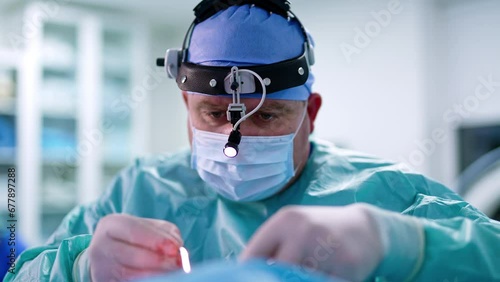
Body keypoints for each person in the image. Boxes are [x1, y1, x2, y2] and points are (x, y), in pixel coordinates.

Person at [5, 2, 500, 282]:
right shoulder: (140, 190)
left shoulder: (388, 196)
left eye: (269, 117)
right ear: (186, 108)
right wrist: (78, 264)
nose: (233, 143)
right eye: (214, 114)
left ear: (311, 113)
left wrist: (404, 244)